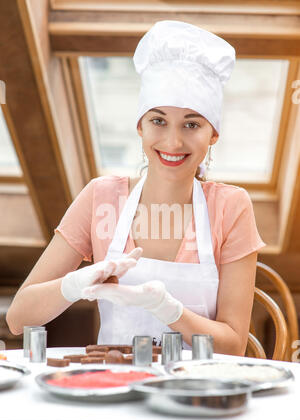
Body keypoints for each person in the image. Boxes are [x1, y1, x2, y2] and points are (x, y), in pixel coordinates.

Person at [6, 20, 265, 355]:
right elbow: (17, 319)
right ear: (140, 126)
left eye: (192, 124)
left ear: (213, 133)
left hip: (195, 392)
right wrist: (73, 286)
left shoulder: (231, 207)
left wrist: (170, 310)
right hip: (113, 389)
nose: (173, 141)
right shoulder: (102, 197)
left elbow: (233, 347)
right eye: (158, 121)